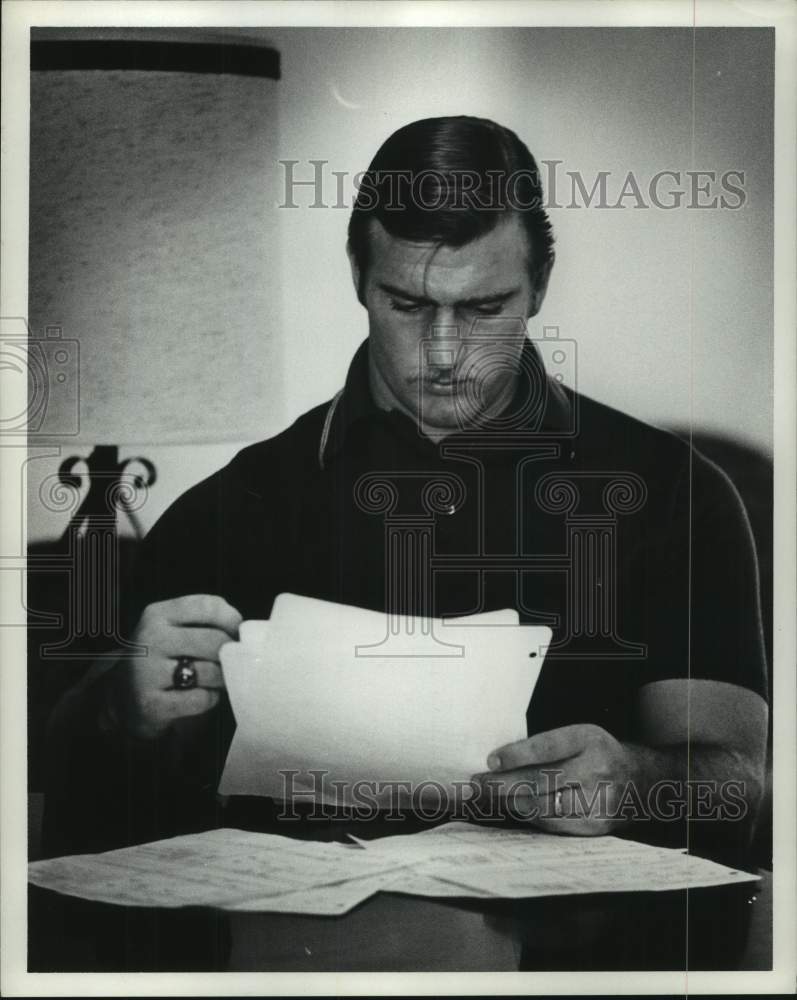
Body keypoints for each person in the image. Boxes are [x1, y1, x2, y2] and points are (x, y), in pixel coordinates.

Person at [40, 116, 768, 856]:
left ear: (540, 285)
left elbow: (738, 786)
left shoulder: (674, 493)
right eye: (409, 305)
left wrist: (637, 779)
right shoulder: (230, 507)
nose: (445, 353)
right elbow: (71, 825)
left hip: (568, 928)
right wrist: (117, 714)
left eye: (483, 307)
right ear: (358, 278)